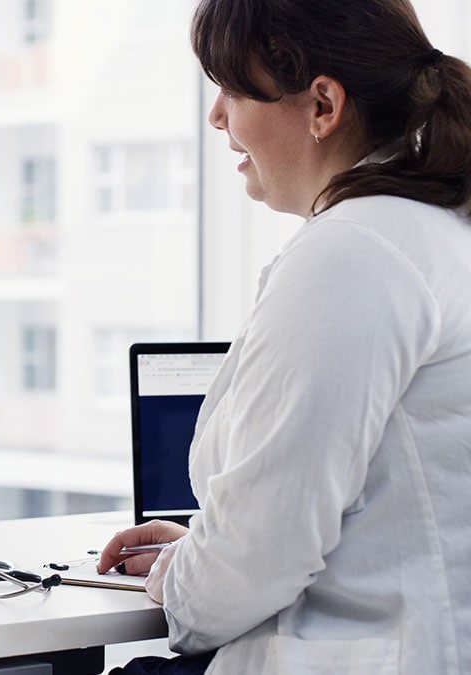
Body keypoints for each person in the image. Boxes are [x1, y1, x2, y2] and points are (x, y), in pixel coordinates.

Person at [97, 0, 471, 673]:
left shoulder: (354, 256)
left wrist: (185, 572)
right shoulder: (431, 232)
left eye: (231, 89)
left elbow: (252, 561)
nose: (217, 118)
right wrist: (211, 551)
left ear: (322, 104)